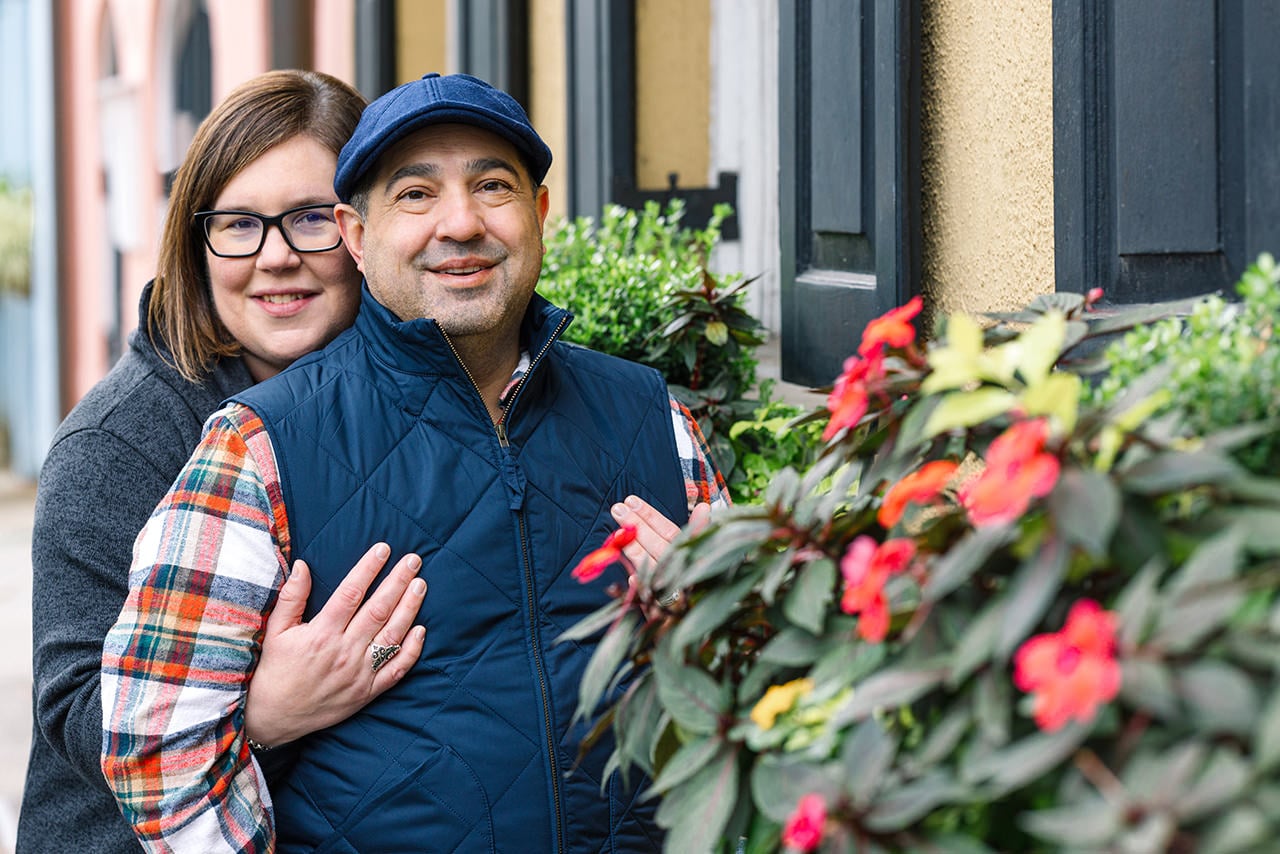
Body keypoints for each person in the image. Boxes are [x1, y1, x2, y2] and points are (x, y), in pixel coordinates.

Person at [101, 71, 728, 852]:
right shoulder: (257, 447)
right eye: (416, 195)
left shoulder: (648, 416)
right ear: (356, 236)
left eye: (492, 186)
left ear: (537, 214)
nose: (460, 224)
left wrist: (720, 630)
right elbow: (158, 750)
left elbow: (768, 690)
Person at [19, 70, 429, 853]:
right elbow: (75, 705)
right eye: (238, 225)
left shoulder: (407, 401)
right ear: (195, 244)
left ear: (364, 230)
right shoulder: (117, 445)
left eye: (311, 218)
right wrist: (261, 709)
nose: (274, 257)